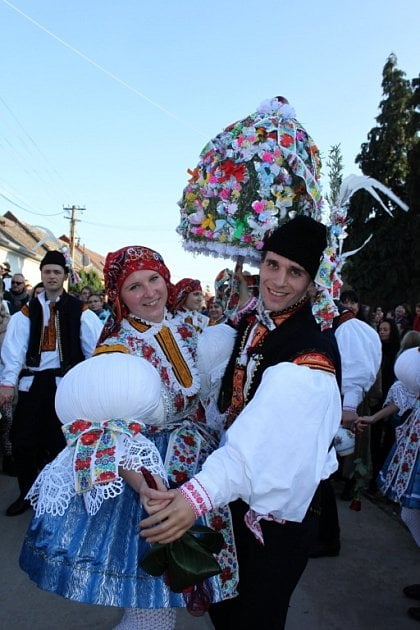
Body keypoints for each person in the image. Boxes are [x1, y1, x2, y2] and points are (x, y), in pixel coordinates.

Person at [20, 245, 238, 630]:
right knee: (151, 605)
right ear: (119, 297)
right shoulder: (117, 349)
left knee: (184, 583)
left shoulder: (190, 326)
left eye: (154, 279)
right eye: (134, 287)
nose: (149, 292)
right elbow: (105, 434)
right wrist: (144, 488)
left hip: (197, 462)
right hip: (147, 474)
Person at [140, 217, 343, 630]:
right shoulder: (251, 323)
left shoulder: (312, 355)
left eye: (295, 272)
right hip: (234, 501)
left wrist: (196, 497)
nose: (279, 281)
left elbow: (267, 441)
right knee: (226, 610)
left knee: (255, 618)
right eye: (272, 265)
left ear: (311, 283)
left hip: (276, 514)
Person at [0, 251, 103, 516]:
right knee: (22, 441)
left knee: (61, 443)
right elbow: (14, 349)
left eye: (57, 272)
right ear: (42, 275)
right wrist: (7, 382)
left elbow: (95, 352)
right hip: (34, 384)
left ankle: (59, 496)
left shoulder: (81, 311)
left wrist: (91, 386)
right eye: (47, 272)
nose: (52, 276)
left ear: (65, 276)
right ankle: (27, 493)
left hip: (66, 385)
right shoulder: (27, 311)